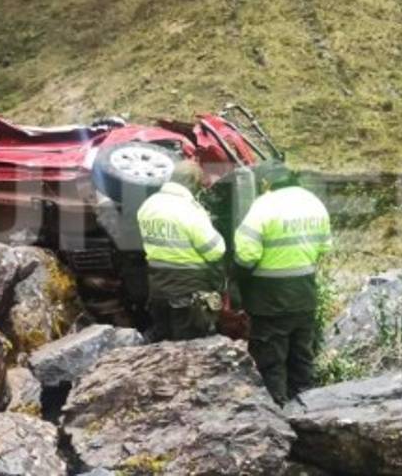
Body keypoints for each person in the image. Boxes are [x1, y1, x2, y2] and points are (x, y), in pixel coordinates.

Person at [233, 163, 331, 405]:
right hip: (304, 294)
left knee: (271, 362)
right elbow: (325, 247)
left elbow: (246, 255)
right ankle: (309, 412)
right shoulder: (313, 203)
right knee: (302, 358)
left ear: (266, 184)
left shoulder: (264, 205)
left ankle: (276, 411)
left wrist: (237, 283)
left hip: (269, 299)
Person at [136, 161, 225, 341]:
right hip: (189, 289)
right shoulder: (188, 209)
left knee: (164, 342)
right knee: (191, 345)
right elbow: (216, 250)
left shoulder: (148, 205)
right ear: (192, 183)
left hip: (158, 287)